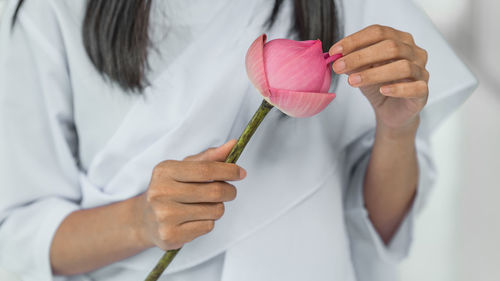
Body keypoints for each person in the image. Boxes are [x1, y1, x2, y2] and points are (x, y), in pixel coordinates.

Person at [0, 0, 476, 280]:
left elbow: (379, 232)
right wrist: (138, 221)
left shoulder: (346, 6)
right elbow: (18, 235)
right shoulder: (54, 13)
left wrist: (397, 128)